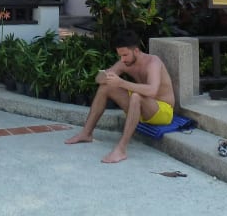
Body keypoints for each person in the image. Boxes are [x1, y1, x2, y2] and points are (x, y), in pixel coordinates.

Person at [64, 30, 176, 163]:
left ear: (136, 51)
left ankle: (121, 150)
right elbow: (99, 79)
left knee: (136, 96)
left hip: (162, 111)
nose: (122, 59)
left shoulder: (153, 62)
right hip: (141, 107)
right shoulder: (125, 62)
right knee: (106, 87)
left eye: (125, 55)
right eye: (120, 56)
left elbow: (152, 91)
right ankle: (86, 133)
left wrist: (121, 83)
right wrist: (105, 76)